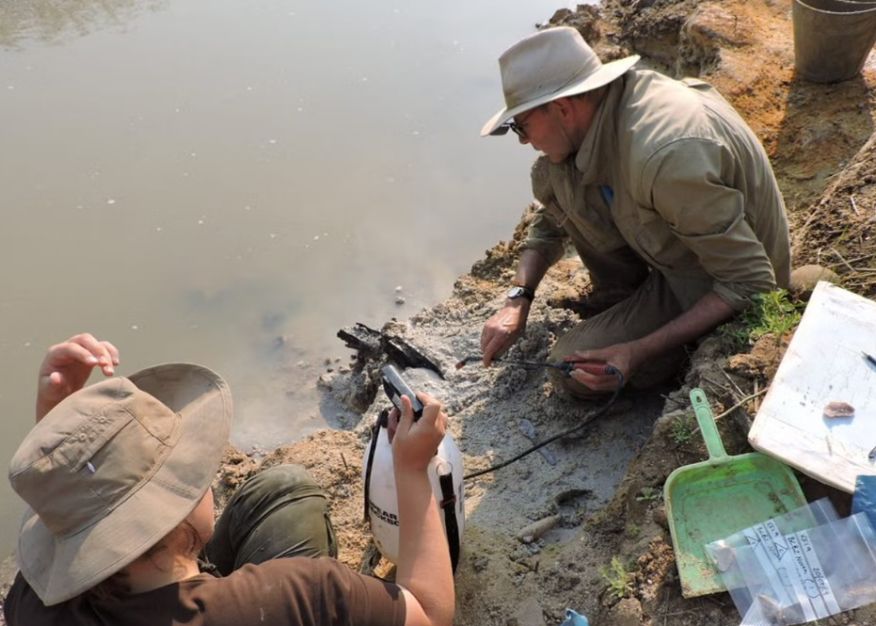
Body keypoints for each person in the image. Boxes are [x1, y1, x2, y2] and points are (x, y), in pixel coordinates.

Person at [3, 333, 455, 626]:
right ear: (175, 508)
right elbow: (431, 614)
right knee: (292, 496)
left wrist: (62, 428)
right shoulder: (300, 596)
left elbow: (73, 509)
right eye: (190, 468)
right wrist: (411, 470)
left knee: (282, 489)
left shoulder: (34, 606)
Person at [479, 26, 791, 397]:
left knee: (570, 368)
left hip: (723, 284)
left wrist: (637, 351)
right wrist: (518, 299)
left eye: (522, 125)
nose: (523, 140)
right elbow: (551, 222)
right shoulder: (604, 115)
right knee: (556, 175)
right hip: (687, 250)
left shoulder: (664, 155)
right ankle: (627, 301)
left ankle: (673, 350)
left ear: (562, 108)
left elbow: (751, 282)